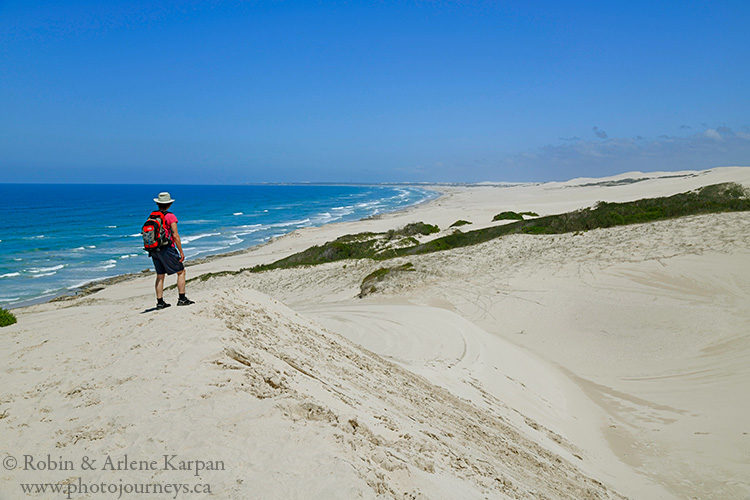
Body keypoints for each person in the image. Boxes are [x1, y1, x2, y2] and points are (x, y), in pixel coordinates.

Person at [149, 192, 194, 309]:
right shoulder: (170, 216)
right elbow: (175, 235)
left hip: (154, 249)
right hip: (166, 248)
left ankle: (160, 302)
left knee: (160, 275)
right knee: (181, 272)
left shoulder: (152, 216)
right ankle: (182, 299)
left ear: (158, 204)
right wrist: (181, 252)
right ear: (169, 204)